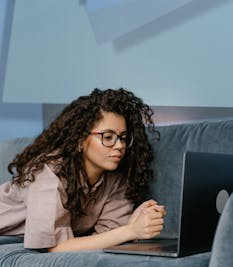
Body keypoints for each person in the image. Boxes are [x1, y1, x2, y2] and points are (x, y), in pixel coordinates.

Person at [0, 88, 166, 252]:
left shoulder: (117, 179)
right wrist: (129, 231)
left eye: (123, 137)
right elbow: (53, 248)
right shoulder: (48, 172)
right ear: (80, 139)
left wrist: (130, 225)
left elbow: (105, 238)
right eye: (108, 137)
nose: (120, 146)